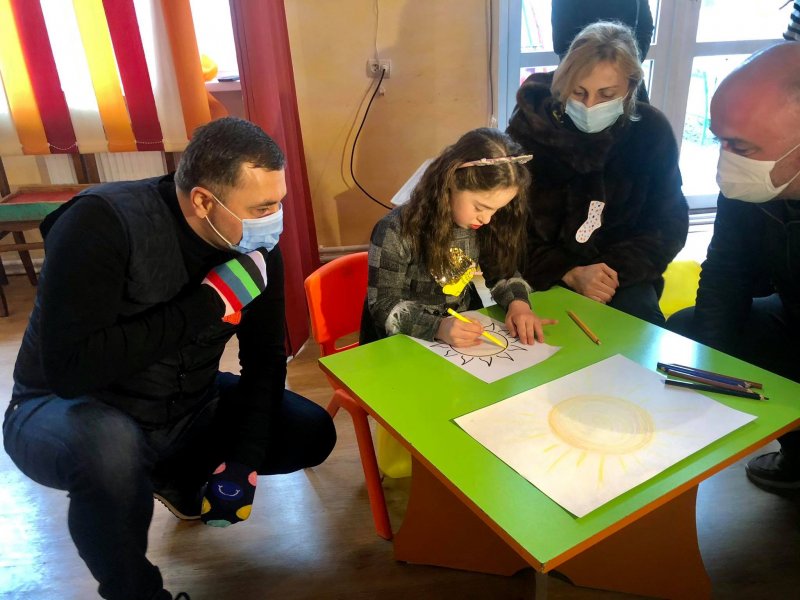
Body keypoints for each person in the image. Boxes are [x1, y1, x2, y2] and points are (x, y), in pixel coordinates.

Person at [2, 116, 336, 600]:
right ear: (203, 201)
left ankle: (175, 475)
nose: (275, 218)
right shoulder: (100, 224)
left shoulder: (254, 245)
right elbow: (70, 372)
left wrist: (242, 460)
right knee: (111, 449)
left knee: (310, 431)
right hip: (61, 406)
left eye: (278, 202)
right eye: (262, 207)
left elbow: (264, 360)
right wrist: (207, 304)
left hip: (181, 403)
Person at [666, 43, 800, 490]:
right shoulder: (752, 187)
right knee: (690, 331)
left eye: (740, 145)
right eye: (719, 139)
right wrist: (710, 380)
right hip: (791, 316)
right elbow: (726, 272)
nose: (726, 158)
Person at [506, 22, 688, 326]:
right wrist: (567, 270)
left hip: (618, 277)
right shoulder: (530, 129)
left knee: (641, 332)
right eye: (578, 92)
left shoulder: (650, 132)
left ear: (630, 87)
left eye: (606, 94)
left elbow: (668, 224)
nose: (590, 105)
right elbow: (506, 225)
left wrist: (606, 275)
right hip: (540, 271)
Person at [361, 127, 554, 348]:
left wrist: (518, 304)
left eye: (497, 209)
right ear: (452, 181)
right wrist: (438, 327)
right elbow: (383, 304)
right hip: (404, 339)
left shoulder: (484, 224)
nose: (487, 219)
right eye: (480, 207)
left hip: (462, 328)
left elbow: (503, 272)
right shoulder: (396, 230)